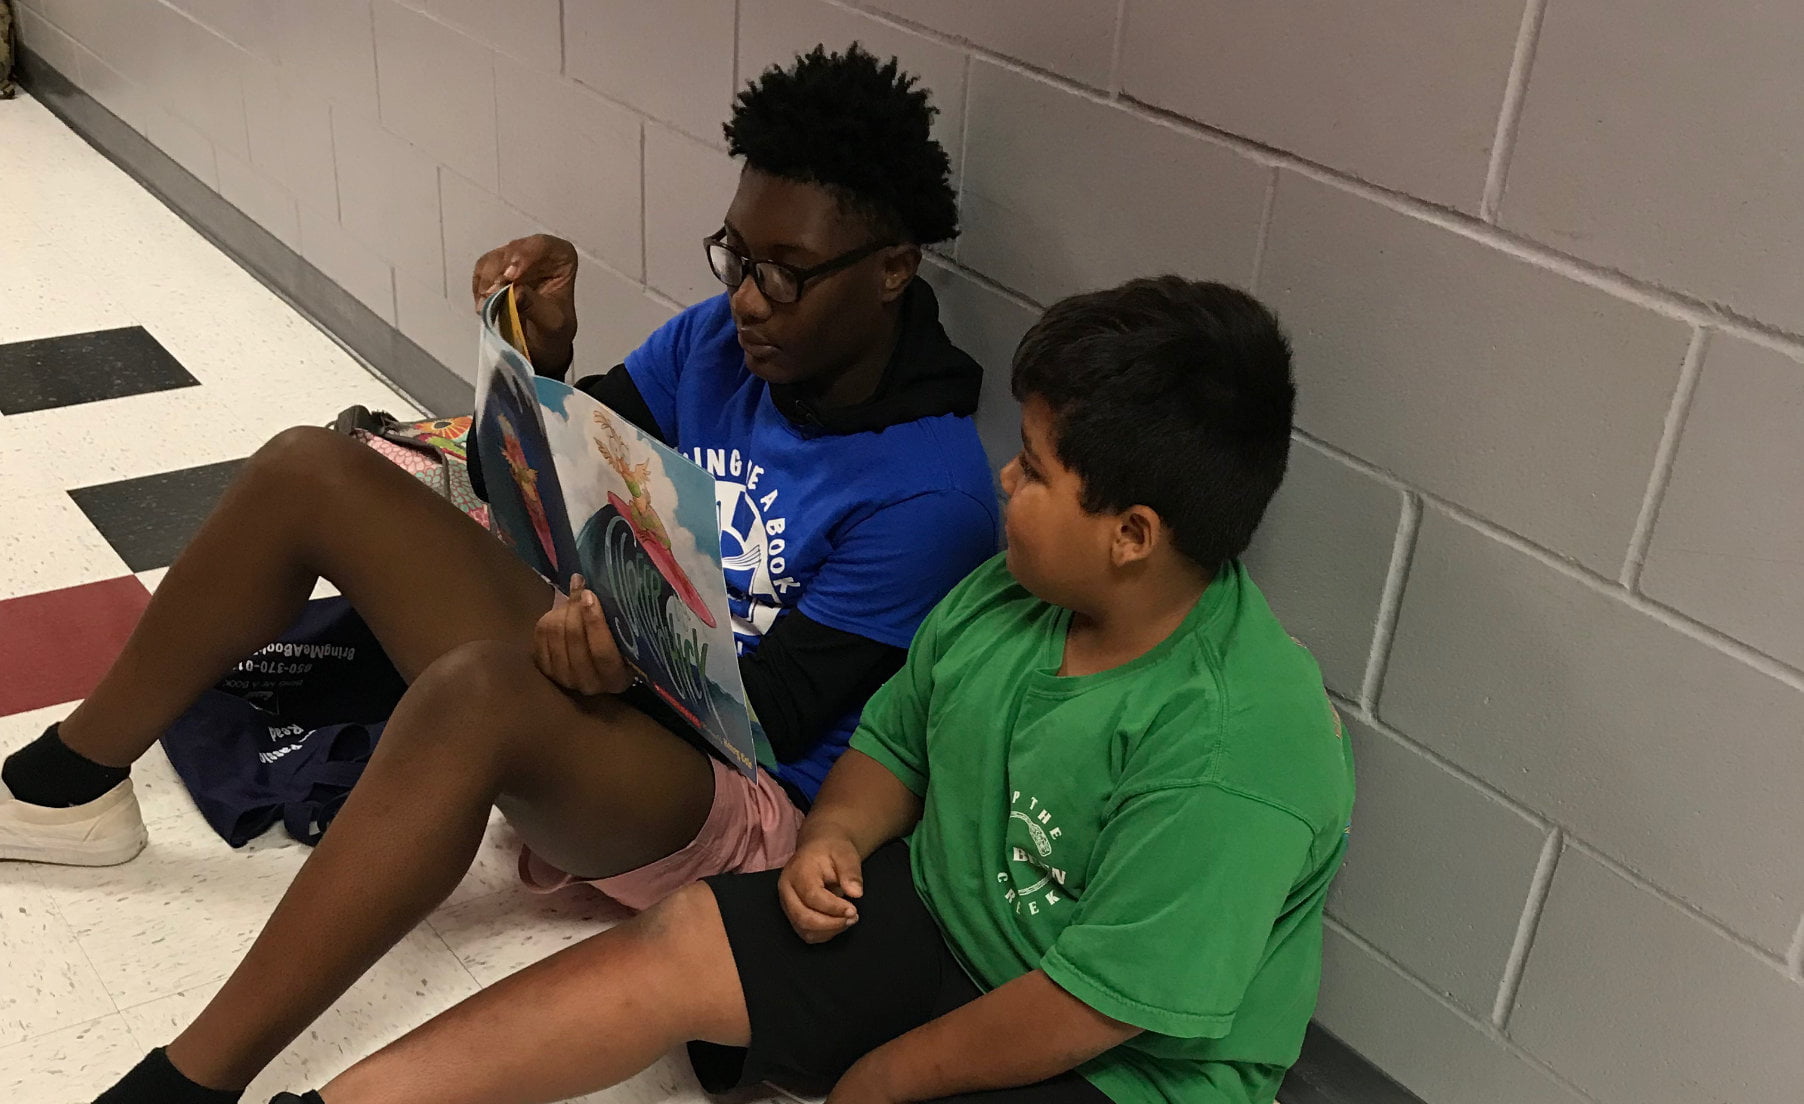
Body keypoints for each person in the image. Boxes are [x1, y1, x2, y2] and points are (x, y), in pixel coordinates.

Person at [0, 44, 999, 1103]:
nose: (749, 300)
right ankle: (70, 787)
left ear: (893, 269)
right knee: (312, 470)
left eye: (784, 273)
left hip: (740, 804)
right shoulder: (720, 343)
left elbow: (776, 724)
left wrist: (622, 663)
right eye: (734, 257)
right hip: (629, 684)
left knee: (478, 693)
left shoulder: (930, 492)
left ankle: (189, 1084)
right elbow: (521, 486)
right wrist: (543, 362)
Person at [259, 277, 1358, 1104]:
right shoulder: (1007, 599)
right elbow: (897, 741)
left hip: (1122, 1070)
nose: (1005, 482)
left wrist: (883, 1078)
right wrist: (836, 833)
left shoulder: (1237, 744)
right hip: (942, 925)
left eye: (1032, 468)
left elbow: (1088, 1010)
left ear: (1132, 536)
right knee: (680, 941)